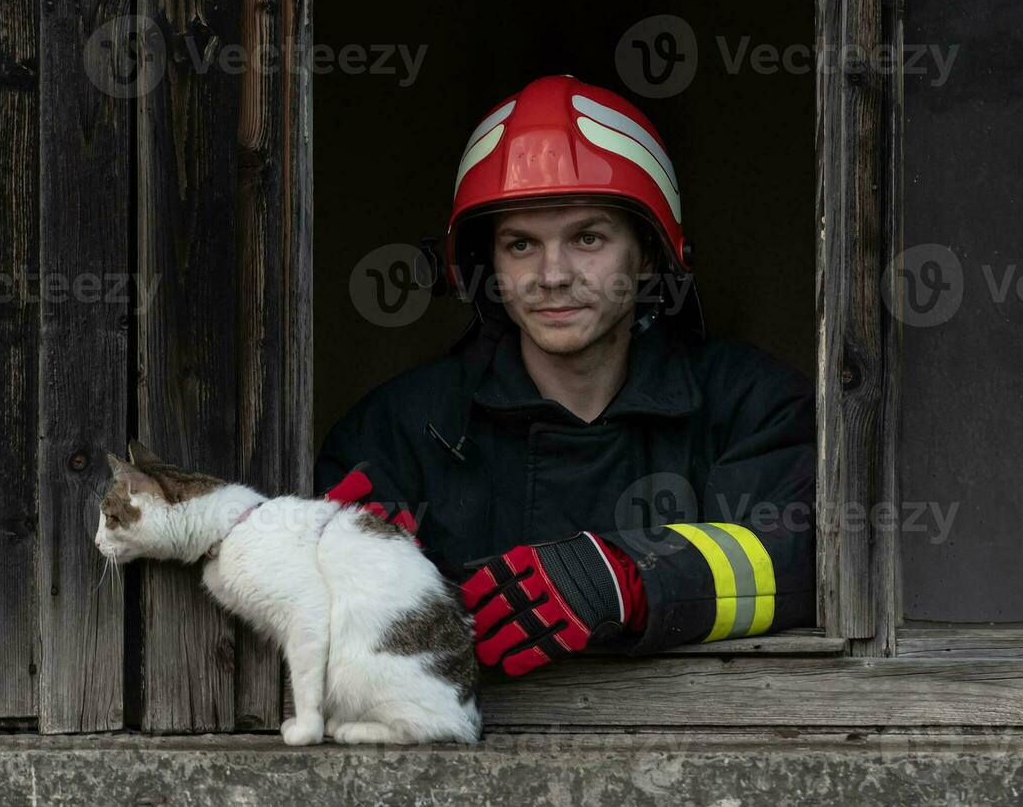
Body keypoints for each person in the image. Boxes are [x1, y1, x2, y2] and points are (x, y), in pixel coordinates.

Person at [317, 75, 816, 677]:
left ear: (652, 253)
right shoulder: (397, 432)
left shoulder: (750, 402)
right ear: (488, 266)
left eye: (587, 237)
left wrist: (628, 577)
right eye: (521, 245)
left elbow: (806, 554)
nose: (553, 274)